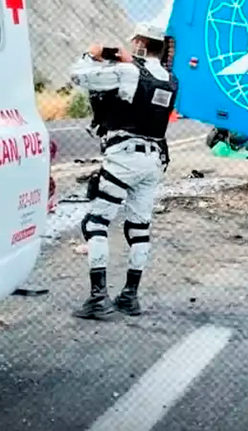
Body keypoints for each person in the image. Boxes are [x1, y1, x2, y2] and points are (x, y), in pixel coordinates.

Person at [68, 24, 178, 319]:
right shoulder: (171, 79)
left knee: (95, 222)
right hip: (153, 160)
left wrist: (91, 55)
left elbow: (78, 77)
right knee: (139, 228)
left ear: (141, 42)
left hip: (123, 156)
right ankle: (130, 296)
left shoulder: (129, 72)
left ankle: (98, 297)